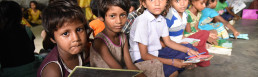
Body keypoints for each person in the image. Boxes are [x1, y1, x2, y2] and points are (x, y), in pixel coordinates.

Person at [90, 0, 165, 77]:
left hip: (123, 70)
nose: (119, 21)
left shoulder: (122, 36)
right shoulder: (100, 41)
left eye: (122, 15)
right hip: (109, 74)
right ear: (101, 18)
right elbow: (118, 70)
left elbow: (130, 65)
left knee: (156, 64)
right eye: (112, 16)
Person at [129, 0, 200, 77]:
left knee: (190, 49)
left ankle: (179, 65)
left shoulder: (161, 19)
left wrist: (188, 50)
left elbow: (168, 42)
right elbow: (144, 55)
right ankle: (177, 67)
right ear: (144, 4)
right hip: (142, 59)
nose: (157, 3)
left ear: (166, 2)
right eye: (152, 0)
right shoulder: (142, 21)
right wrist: (172, 62)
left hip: (157, 53)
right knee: (173, 71)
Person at [37, 1, 90, 77]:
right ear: (53, 38)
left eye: (79, 29)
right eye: (65, 33)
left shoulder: (83, 51)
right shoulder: (52, 71)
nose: (76, 38)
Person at [0, 1, 39, 77]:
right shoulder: (26, 29)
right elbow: (32, 49)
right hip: (32, 69)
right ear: (19, 16)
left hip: (8, 72)